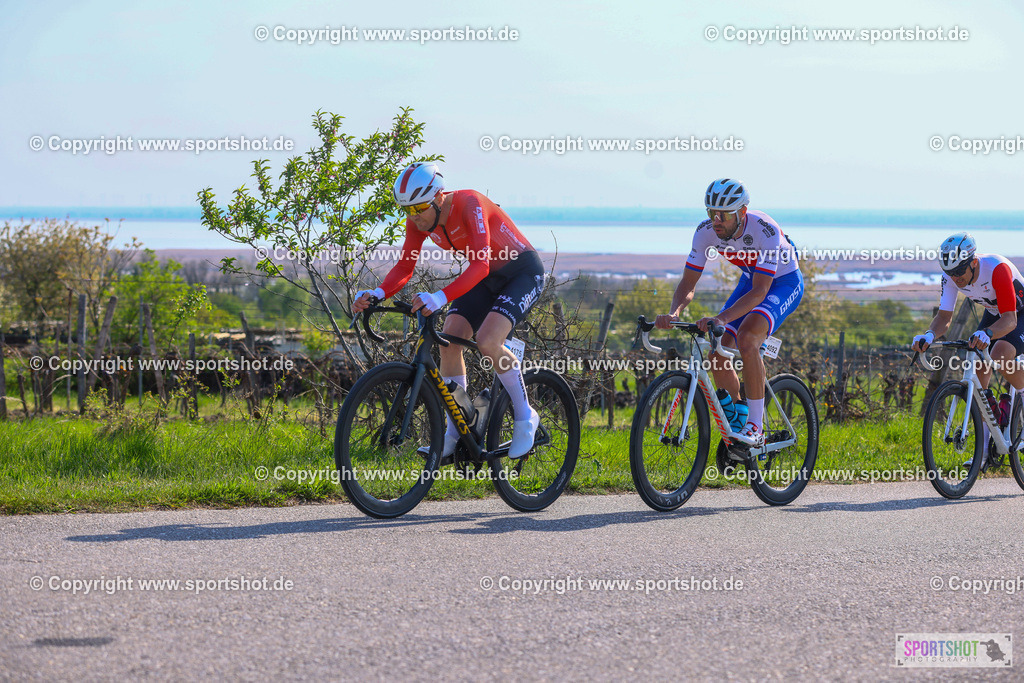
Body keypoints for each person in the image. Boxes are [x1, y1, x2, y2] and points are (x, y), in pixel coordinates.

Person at [353, 162, 545, 458]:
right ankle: (454, 434)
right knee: (450, 341)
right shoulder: (418, 219)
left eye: (419, 209)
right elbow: (406, 265)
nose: (414, 217)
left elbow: (480, 264)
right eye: (407, 210)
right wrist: (377, 293)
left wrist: (440, 297)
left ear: (439, 197)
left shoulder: (470, 204)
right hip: (486, 277)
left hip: (521, 273)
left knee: (488, 341)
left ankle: (525, 416)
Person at [655, 178, 803, 448]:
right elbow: (688, 283)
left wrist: (721, 318)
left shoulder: (765, 231)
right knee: (717, 351)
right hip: (751, 279)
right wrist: (674, 311)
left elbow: (761, 292)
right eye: (711, 213)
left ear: (742, 212)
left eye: (723, 214)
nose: (716, 220)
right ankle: (738, 421)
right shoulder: (705, 233)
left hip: (782, 283)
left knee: (747, 338)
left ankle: (755, 427)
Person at [911, 233, 1024, 465]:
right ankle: (983, 448)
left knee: (1000, 355)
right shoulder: (951, 275)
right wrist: (929, 335)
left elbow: (1010, 321)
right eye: (950, 273)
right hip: (995, 313)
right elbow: (944, 317)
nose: (956, 278)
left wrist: (989, 333)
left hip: (1016, 315)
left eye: (959, 272)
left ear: (973, 262)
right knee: (979, 364)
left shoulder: (996, 269)